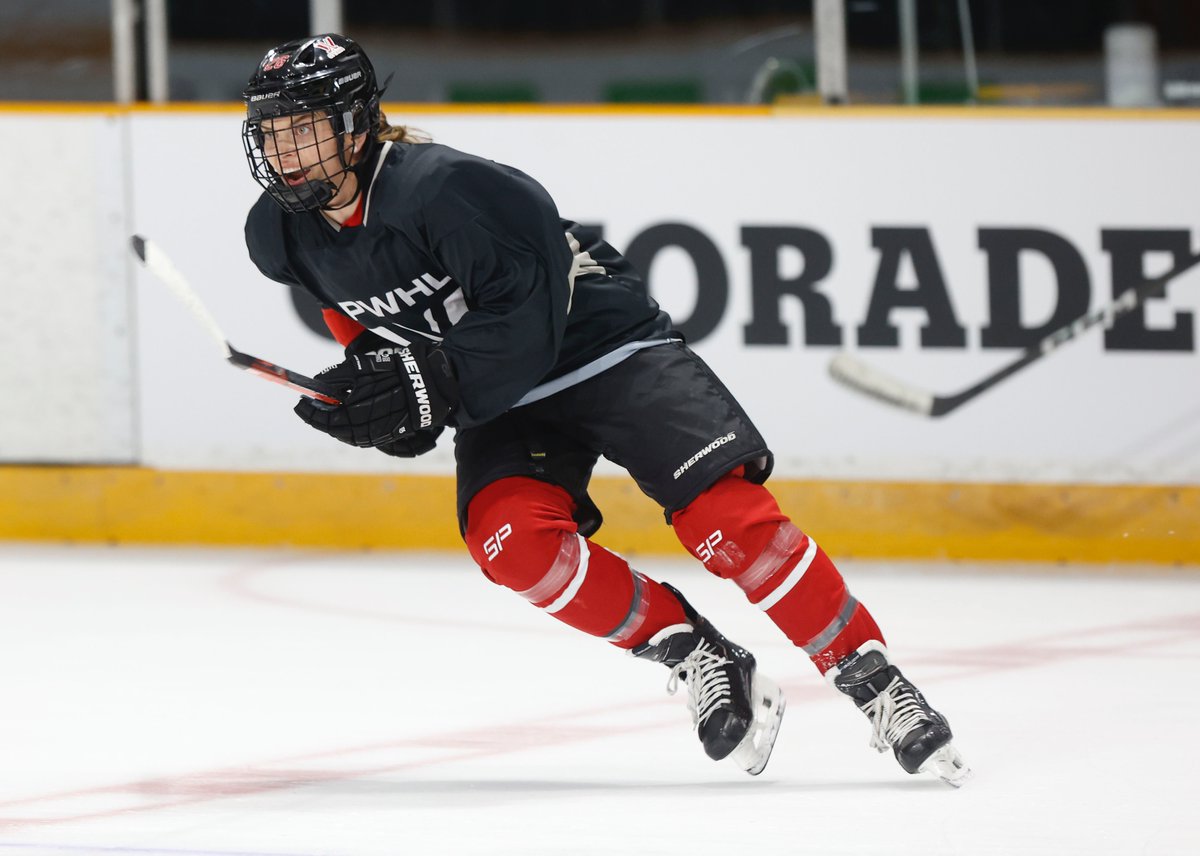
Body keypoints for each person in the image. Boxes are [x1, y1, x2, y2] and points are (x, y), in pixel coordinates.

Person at [240, 33, 969, 785]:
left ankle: (875, 681)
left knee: (725, 520)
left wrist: (428, 383)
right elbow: (353, 309)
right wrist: (377, 385)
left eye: (303, 128)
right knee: (511, 545)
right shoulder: (279, 232)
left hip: (606, 350)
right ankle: (695, 650)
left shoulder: (447, 190)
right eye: (272, 131)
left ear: (355, 126)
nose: (284, 149)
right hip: (503, 398)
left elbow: (527, 326)